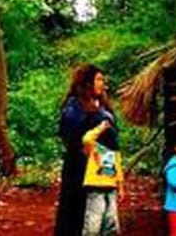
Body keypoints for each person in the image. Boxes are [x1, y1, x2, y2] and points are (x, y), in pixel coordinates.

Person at [55, 64, 111, 236]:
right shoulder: (73, 108)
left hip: (100, 164)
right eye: (98, 79)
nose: (102, 83)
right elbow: (72, 137)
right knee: (76, 211)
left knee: (101, 212)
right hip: (79, 168)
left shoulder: (101, 105)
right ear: (87, 82)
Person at [81, 100, 124, 236]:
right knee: (93, 224)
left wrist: (121, 187)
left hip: (111, 188)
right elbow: (87, 139)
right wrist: (101, 128)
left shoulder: (114, 151)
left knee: (111, 222)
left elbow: (118, 170)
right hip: (95, 188)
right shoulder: (94, 147)